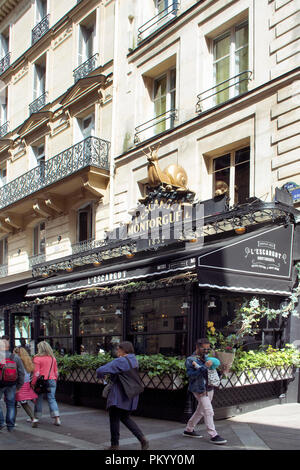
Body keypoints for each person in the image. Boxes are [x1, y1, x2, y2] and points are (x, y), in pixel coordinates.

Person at [96, 341, 149, 450]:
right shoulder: (134, 359)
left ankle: (114, 445)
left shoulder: (120, 361)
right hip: (131, 394)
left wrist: (102, 377)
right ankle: (142, 439)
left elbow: (100, 370)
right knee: (125, 417)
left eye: (118, 349)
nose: (117, 351)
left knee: (114, 418)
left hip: (118, 395)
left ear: (123, 350)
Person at [183, 338, 227, 445]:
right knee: (208, 410)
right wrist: (204, 367)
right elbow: (191, 375)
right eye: (204, 348)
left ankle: (189, 429)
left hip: (209, 387)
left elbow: (212, 372)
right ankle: (213, 434)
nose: (206, 351)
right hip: (199, 389)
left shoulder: (208, 358)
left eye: (208, 348)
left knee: (201, 411)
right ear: (197, 347)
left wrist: (222, 371)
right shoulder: (190, 360)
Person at [31, 341, 61, 426]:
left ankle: (36, 418)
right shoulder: (52, 358)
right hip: (51, 380)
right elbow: (56, 372)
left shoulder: (37, 359)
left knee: (38, 399)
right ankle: (57, 418)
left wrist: (33, 383)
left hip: (40, 381)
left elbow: (36, 373)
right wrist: (55, 381)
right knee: (52, 399)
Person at [0, 338, 25, 432]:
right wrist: (19, 386)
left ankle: (1, 422)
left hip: (0, 383)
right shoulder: (15, 357)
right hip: (12, 383)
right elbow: (21, 372)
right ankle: (10, 426)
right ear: (8, 347)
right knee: (11, 404)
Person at [13, 347, 39, 427]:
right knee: (23, 403)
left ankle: (12, 421)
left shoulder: (16, 361)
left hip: (18, 385)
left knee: (14, 403)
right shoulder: (28, 361)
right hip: (26, 385)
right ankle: (33, 418)